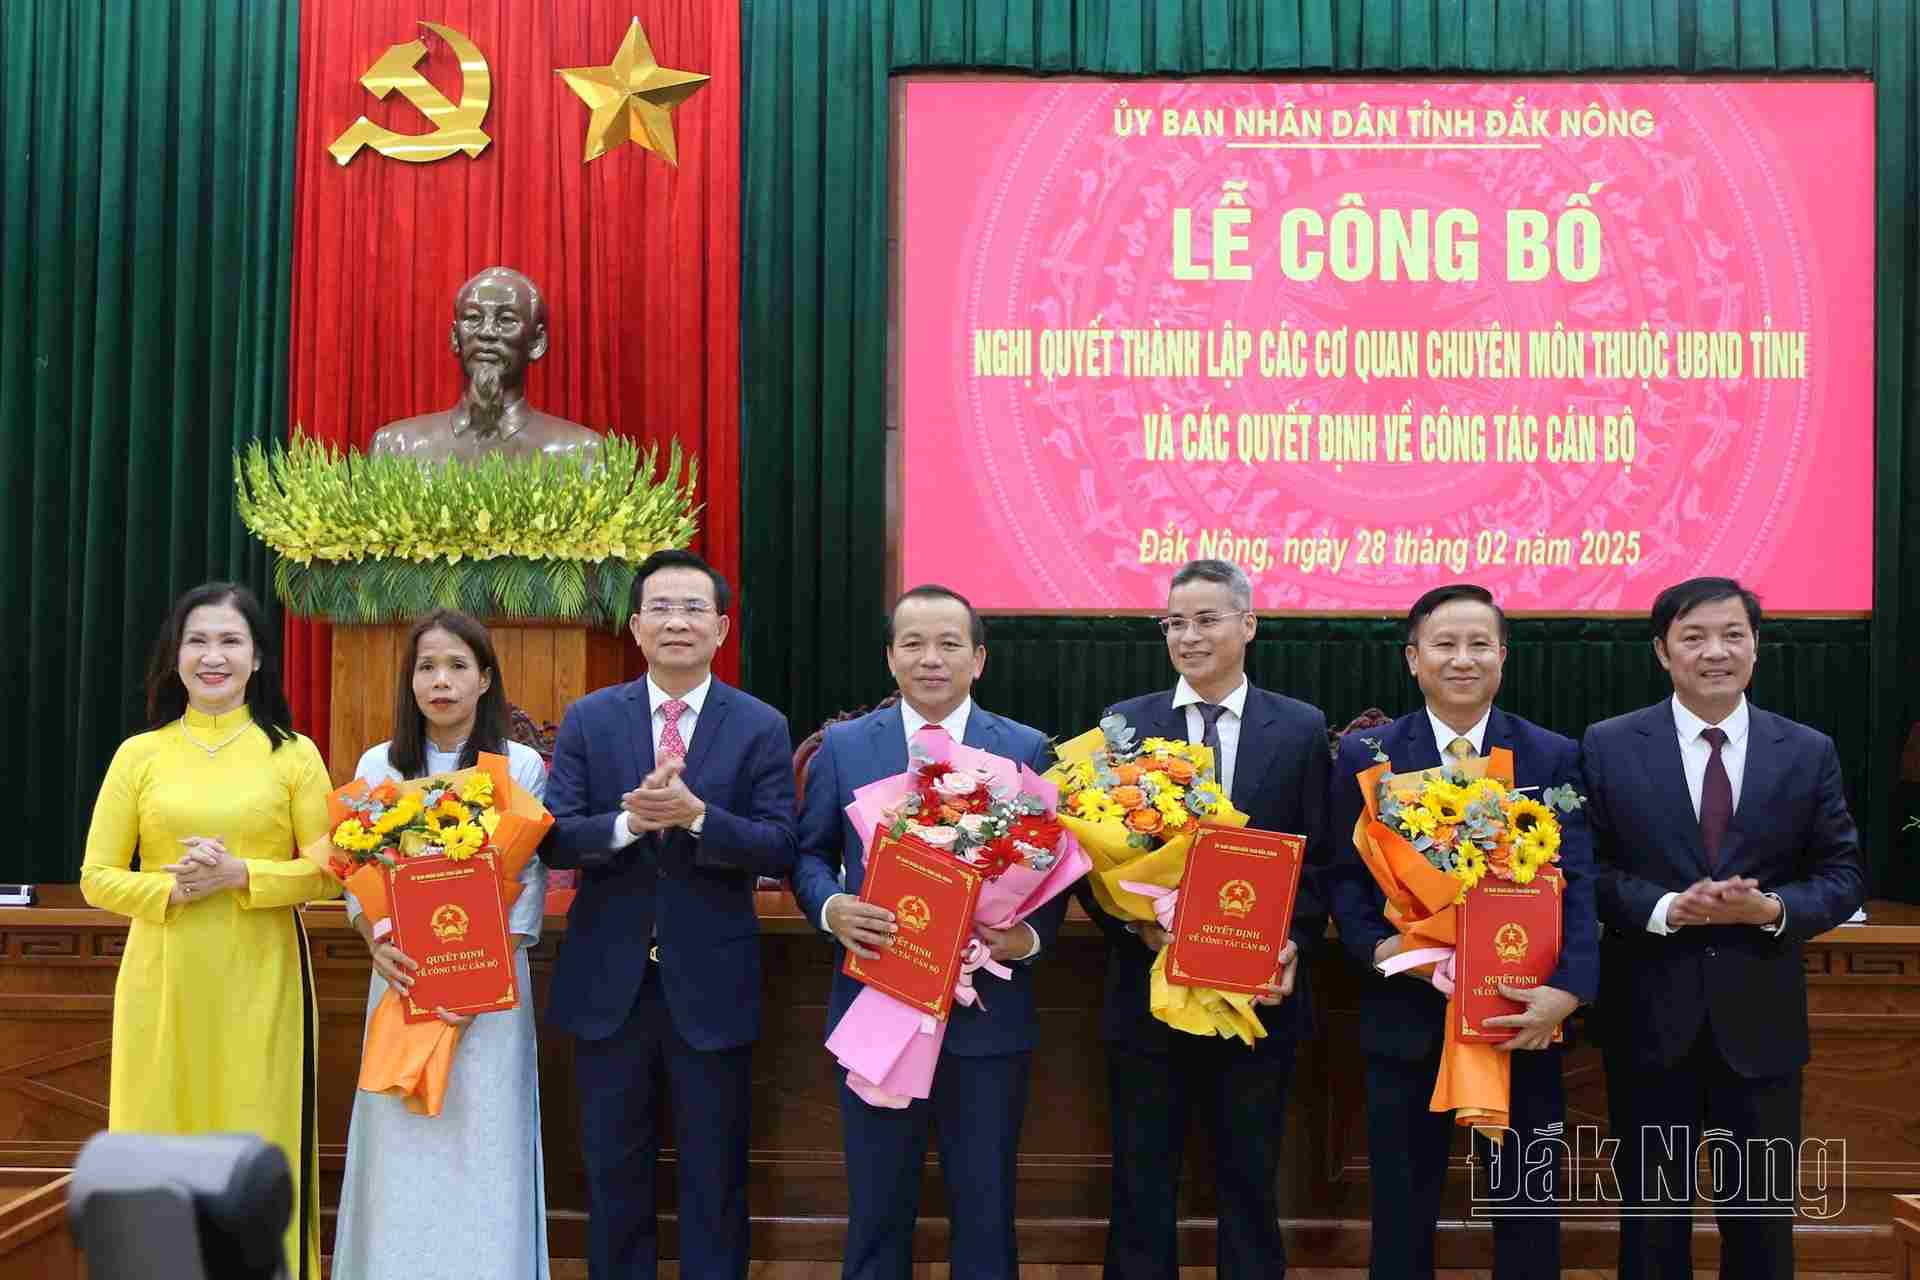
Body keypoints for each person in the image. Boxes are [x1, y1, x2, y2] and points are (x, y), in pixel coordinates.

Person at [1585, 577, 1865, 1280]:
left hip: (1761, 1026)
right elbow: (1587, 871)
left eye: (1732, 634)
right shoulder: (1610, 745)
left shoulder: (1806, 750)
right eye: (1694, 636)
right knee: (1651, 1227)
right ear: (1662, 651)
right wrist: (1665, 908)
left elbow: (1843, 875)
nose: (1716, 651)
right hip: (1650, 1019)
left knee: (1763, 1227)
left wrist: (1770, 910)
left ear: (1756, 646)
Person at [1324, 583, 1600, 1280]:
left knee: (1527, 1207)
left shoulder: (1550, 755)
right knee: (1401, 1210)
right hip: (1408, 1016)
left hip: (1520, 1016)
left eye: (1480, 644)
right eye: (1444, 644)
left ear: (1503, 657)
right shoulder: (1367, 757)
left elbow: (1583, 881)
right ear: (1413, 658)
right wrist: (1389, 952)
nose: (1462, 659)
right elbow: (1344, 881)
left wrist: (1567, 991)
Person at [542, 548, 798, 1279]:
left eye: (693, 609)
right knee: (613, 1174)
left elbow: (780, 844)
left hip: (712, 986)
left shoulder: (759, 725)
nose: (677, 622)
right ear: (635, 628)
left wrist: (696, 818)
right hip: (608, 989)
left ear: (721, 629)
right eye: (661, 608)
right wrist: (628, 823)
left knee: (714, 1175)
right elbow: (555, 835)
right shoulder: (592, 719)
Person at [792, 583, 1060, 1280]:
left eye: (949, 644)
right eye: (913, 643)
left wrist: (1023, 940)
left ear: (979, 660)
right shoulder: (846, 746)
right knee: (878, 1205)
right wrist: (831, 909)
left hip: (987, 1017)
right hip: (880, 999)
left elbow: (1056, 869)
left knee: (985, 1203)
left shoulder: (1027, 748)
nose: (930, 659)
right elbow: (809, 853)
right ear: (890, 658)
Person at [80, 582, 339, 1280]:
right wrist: (170, 887)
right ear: (176, 656)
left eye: (230, 641)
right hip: (161, 976)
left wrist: (240, 876)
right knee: (156, 1139)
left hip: (262, 977)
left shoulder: (294, 755)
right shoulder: (141, 754)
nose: (213, 656)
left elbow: (330, 871)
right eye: (198, 641)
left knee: (255, 1138)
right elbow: (96, 877)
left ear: (258, 659)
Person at [1083, 558, 1331, 1280]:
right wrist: (1137, 927)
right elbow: (1091, 866)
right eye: (1174, 623)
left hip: (1256, 997)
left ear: (1248, 625)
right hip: (1147, 993)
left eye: (1206, 619)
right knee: (1140, 1177)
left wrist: (1294, 942)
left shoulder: (1301, 728)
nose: (1188, 637)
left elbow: (1318, 865)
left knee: (1249, 1177)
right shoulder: (1126, 726)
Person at [330, 610, 551, 1279]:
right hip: (400, 983)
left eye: (458, 665)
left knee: (484, 1142)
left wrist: (473, 978)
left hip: (490, 995)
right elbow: (354, 873)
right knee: (403, 1137)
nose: (441, 680)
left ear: (485, 679)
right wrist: (380, 944)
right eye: (426, 666)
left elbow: (528, 876)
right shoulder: (380, 764)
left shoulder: (518, 765)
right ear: (410, 682)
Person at [369, 266, 603, 462]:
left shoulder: (583, 453)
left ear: (536, 342)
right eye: (473, 318)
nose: (487, 332)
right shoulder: (395, 448)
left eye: (506, 320)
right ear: (455, 338)